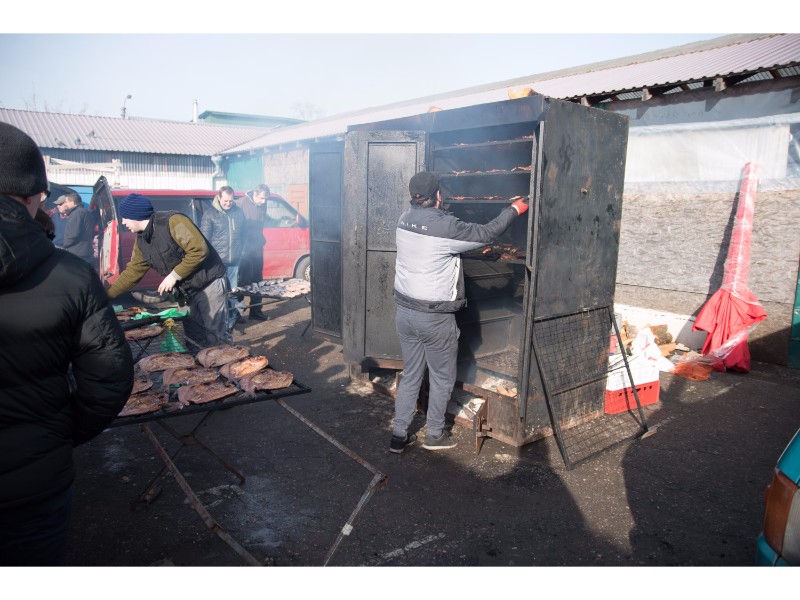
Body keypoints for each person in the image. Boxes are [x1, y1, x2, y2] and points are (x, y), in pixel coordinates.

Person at [0, 122, 134, 566]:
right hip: (33, 488)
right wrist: (57, 434)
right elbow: (109, 378)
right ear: (32, 195)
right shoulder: (71, 275)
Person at [390, 171, 528, 453]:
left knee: (412, 373)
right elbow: (487, 234)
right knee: (442, 377)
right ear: (438, 196)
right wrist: (515, 209)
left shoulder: (404, 219)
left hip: (405, 312)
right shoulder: (445, 226)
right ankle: (435, 435)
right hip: (434, 318)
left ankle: (398, 434)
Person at [106, 193, 232, 346]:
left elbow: (199, 250)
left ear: (136, 215)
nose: (123, 222)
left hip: (209, 281)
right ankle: (199, 360)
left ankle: (228, 360)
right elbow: (133, 271)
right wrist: (105, 296)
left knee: (215, 333)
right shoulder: (142, 240)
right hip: (186, 289)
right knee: (193, 335)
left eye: (125, 217)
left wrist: (174, 276)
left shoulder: (173, 221)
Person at [200, 185, 245, 330]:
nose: (228, 203)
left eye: (231, 201)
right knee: (218, 294)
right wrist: (207, 261)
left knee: (232, 292)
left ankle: (230, 322)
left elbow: (244, 234)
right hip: (217, 263)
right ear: (219, 198)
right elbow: (204, 240)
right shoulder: (209, 214)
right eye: (225, 200)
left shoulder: (239, 212)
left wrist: (242, 251)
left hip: (234, 262)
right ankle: (218, 323)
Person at [236, 183, 269, 320]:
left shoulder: (263, 205)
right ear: (255, 194)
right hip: (244, 250)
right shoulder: (241, 204)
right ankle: (236, 314)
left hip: (257, 248)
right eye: (262, 198)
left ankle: (256, 311)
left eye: (266, 199)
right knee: (243, 282)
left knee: (257, 280)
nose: (264, 202)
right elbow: (235, 227)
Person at [56, 191, 96, 265]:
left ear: (72, 202)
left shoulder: (76, 214)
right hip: (85, 252)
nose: (65, 204)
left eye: (66, 202)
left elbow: (72, 234)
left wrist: (64, 245)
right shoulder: (86, 212)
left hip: (76, 253)